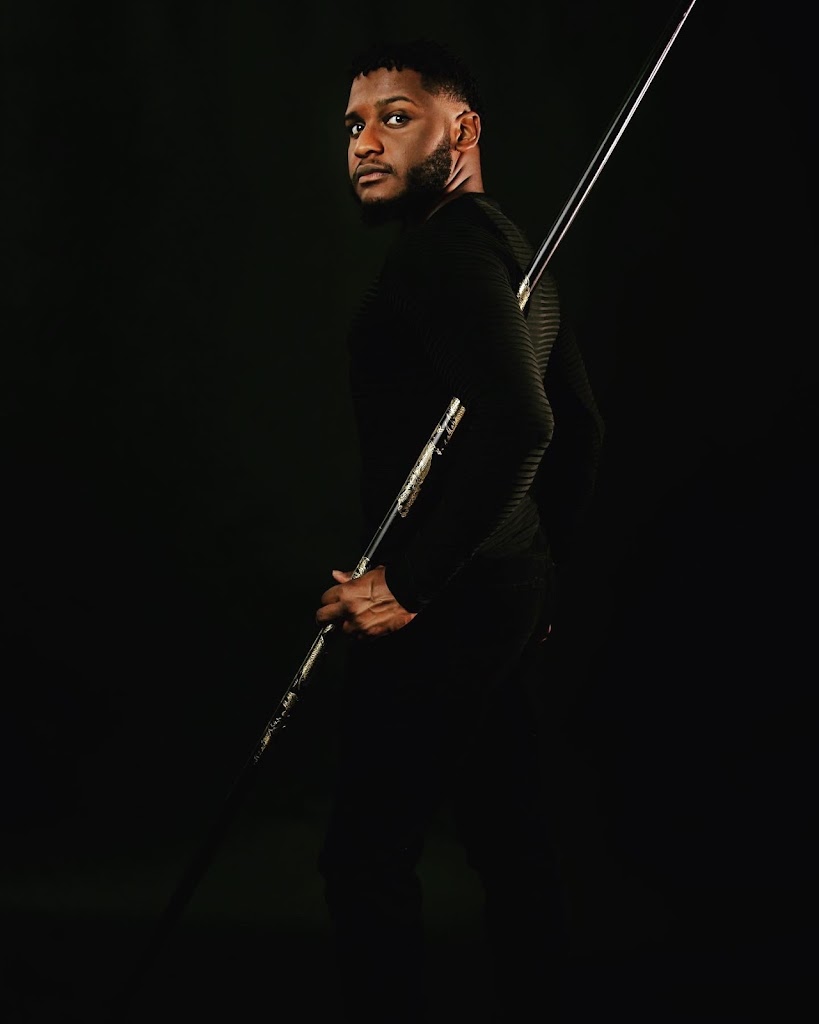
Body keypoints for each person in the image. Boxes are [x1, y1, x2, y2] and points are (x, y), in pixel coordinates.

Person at [313, 37, 605, 1023]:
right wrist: (544, 579)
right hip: (505, 589)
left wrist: (409, 583)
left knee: (366, 854)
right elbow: (582, 428)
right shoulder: (512, 245)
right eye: (354, 124)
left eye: (396, 117)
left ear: (462, 129)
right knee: (506, 835)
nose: (364, 142)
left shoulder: (444, 249)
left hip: (448, 601)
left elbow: (527, 422)